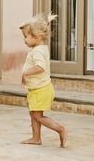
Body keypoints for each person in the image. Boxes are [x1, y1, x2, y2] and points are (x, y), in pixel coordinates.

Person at [19, 12, 67, 148]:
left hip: (41, 90)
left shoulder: (38, 51)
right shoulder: (38, 48)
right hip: (37, 89)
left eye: (26, 37)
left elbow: (41, 67)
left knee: (38, 116)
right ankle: (36, 138)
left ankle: (61, 129)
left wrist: (25, 73)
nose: (25, 40)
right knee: (33, 114)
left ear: (37, 36)